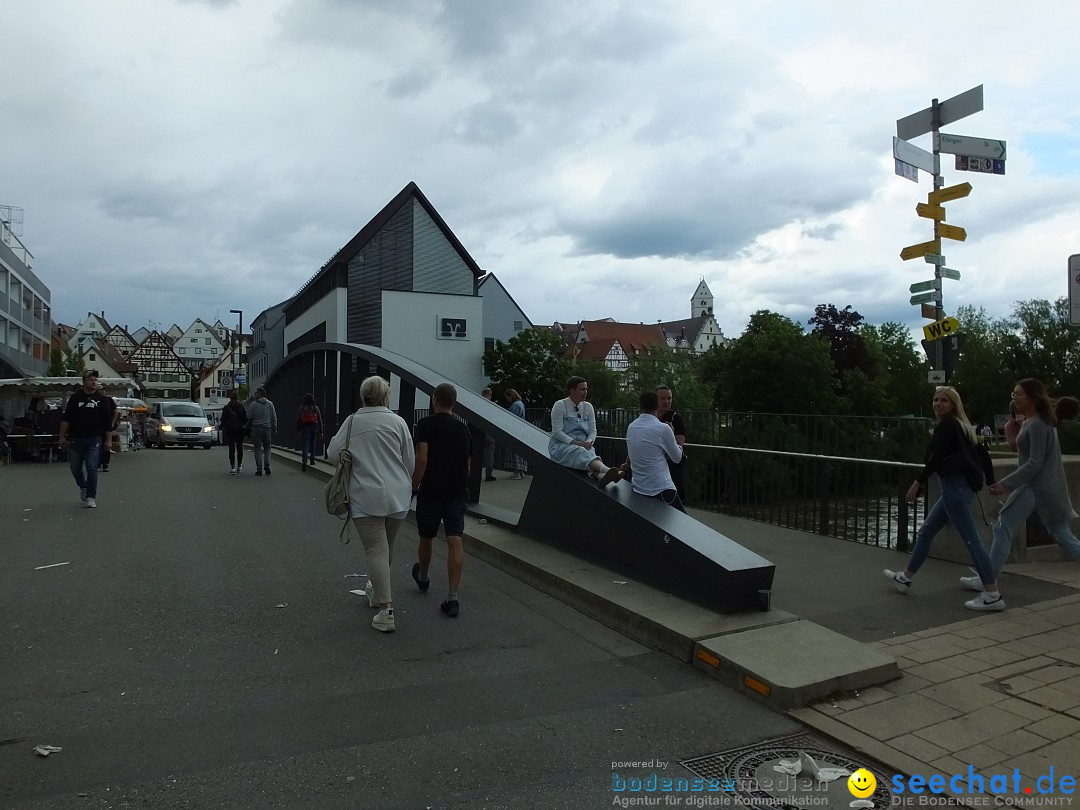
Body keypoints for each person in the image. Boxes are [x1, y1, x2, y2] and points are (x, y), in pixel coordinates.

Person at [883, 386, 1004, 611]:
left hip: (954, 490)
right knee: (927, 530)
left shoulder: (947, 426)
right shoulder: (963, 427)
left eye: (944, 401)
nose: (938, 404)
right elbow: (983, 455)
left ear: (953, 405)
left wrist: (918, 482)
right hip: (960, 488)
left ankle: (992, 593)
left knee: (972, 540)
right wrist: (990, 482)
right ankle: (905, 577)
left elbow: (936, 458)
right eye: (935, 400)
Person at [962, 379, 1080, 590]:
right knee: (1061, 532)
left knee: (1003, 526)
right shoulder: (1039, 421)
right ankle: (987, 577)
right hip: (1039, 487)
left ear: (1033, 397)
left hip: (1034, 487)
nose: (1015, 397)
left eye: (1019, 394)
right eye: (1013, 394)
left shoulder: (1037, 424)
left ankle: (987, 580)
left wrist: (1005, 484)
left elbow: (1035, 463)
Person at [328, 376, 415, 633]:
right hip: (399, 496)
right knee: (386, 548)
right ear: (386, 396)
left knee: (376, 551)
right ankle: (377, 593)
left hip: (366, 496)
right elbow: (408, 461)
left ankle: (385, 610)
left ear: (363, 396)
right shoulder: (398, 422)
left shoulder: (353, 422)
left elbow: (333, 454)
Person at [411, 382, 471, 618]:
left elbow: (422, 458)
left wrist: (414, 485)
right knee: (455, 539)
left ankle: (424, 577)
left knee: (426, 537)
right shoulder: (463, 429)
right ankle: (452, 597)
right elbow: (467, 464)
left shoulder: (425, 424)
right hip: (456, 491)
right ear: (454, 403)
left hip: (431, 490)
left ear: (434, 400)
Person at [548, 376, 621, 487]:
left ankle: (601, 476)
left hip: (583, 445)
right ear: (572, 391)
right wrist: (578, 444)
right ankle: (607, 470)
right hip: (561, 446)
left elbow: (593, 431)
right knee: (581, 452)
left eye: (586, 389)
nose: (585, 392)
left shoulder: (588, 407)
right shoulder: (560, 405)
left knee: (586, 452)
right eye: (582, 389)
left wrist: (588, 442)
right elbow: (557, 432)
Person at [57, 370, 113, 509]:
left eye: (95, 379)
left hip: (95, 437)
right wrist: (62, 436)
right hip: (76, 436)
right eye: (90, 379)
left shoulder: (102, 400)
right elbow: (66, 419)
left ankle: (91, 496)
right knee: (75, 467)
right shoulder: (75, 399)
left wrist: (108, 440)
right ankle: (83, 486)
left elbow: (107, 422)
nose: (93, 382)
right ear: (84, 382)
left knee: (91, 466)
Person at [626, 390, 686, 512]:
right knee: (683, 525)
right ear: (657, 406)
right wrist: (673, 437)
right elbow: (677, 458)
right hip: (661, 488)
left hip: (638, 487)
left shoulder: (631, 427)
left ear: (640, 407)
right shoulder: (663, 428)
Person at [655, 384, 688, 503]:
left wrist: (670, 435)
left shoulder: (674, 418)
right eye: (662, 398)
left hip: (671, 466)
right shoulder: (652, 418)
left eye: (669, 398)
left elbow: (680, 444)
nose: (666, 401)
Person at [245, 387, 277, 476]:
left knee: (257, 449)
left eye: (256, 393)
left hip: (256, 428)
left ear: (260, 394)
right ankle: (267, 464)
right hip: (267, 428)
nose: (254, 394)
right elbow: (273, 416)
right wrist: (275, 427)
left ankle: (259, 469)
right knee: (267, 447)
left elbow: (249, 417)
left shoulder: (253, 405)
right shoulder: (270, 404)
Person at [220, 390, 248, 475]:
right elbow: (245, 419)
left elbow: (223, 419)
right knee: (239, 448)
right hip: (239, 429)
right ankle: (239, 466)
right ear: (238, 398)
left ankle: (232, 467)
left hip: (230, 429)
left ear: (230, 398)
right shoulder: (241, 407)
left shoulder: (226, 407)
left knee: (231, 449)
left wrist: (222, 427)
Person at [296, 393, 324, 471]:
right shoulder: (315, 408)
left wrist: (298, 430)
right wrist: (321, 431)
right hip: (314, 427)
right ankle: (312, 460)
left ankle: (304, 461)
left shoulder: (302, 408)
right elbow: (319, 420)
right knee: (313, 444)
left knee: (305, 445)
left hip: (305, 427)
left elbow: (298, 420)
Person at [504, 388, 527, 480]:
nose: (507, 400)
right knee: (520, 452)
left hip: (515, 430)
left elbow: (511, 417)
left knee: (514, 451)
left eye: (507, 398)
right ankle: (520, 472)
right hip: (521, 429)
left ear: (511, 396)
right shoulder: (521, 404)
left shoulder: (515, 405)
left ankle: (516, 472)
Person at [481, 387, 497, 481]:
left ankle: (475, 474)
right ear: (490, 395)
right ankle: (488, 474)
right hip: (490, 432)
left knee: (478, 454)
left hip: (480, 431)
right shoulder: (493, 405)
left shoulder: (478, 404)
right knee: (490, 455)